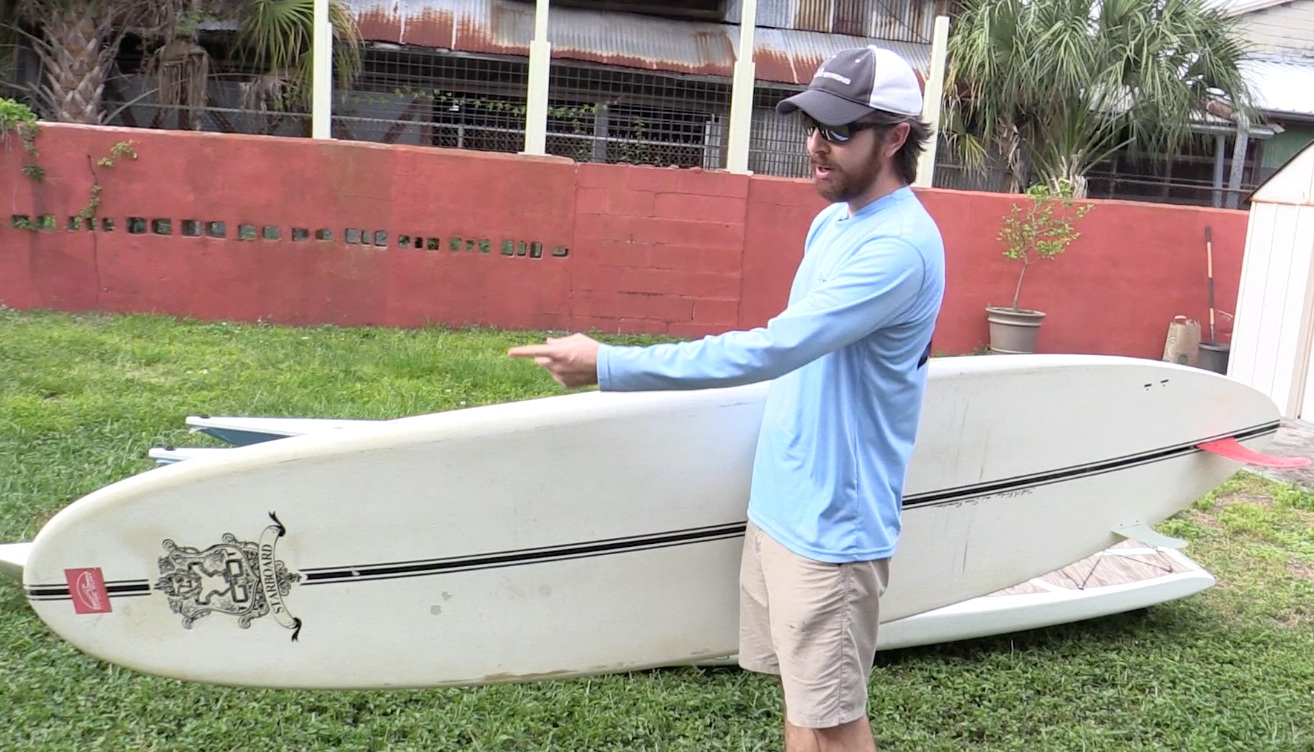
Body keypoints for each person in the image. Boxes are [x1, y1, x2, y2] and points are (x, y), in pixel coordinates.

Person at [509, 45, 945, 752]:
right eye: (812, 126)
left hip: (832, 527)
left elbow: (772, 350)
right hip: (782, 503)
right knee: (803, 703)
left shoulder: (899, 249)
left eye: (838, 131)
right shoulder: (835, 222)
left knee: (835, 721)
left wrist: (609, 364)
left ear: (896, 137)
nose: (815, 145)